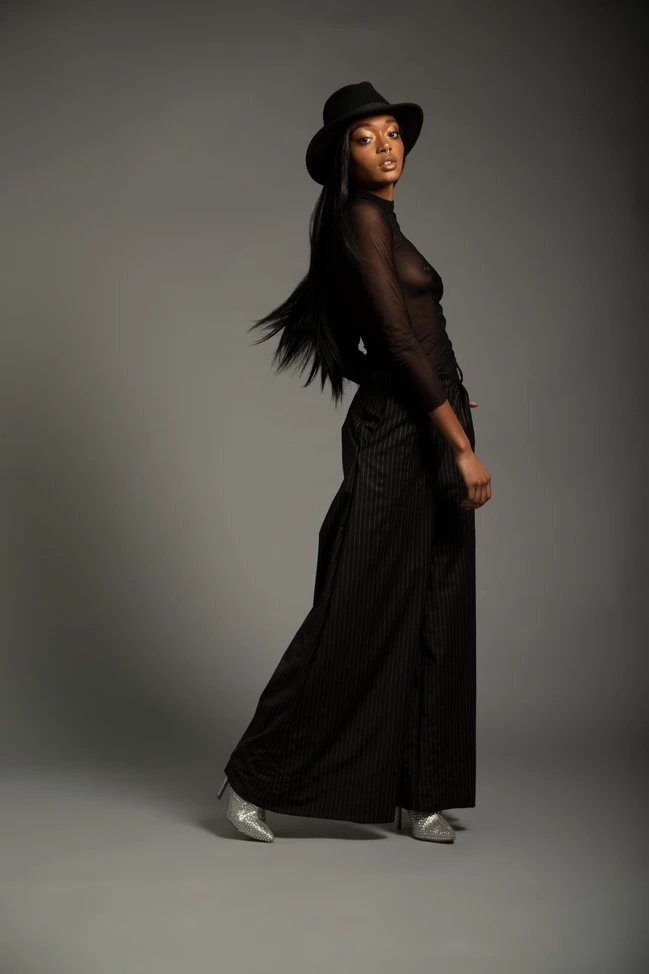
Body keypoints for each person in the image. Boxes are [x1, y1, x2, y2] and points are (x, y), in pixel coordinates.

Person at [217, 82, 491, 843]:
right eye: (365, 139)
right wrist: (459, 444)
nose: (384, 146)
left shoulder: (382, 223)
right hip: (403, 433)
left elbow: (394, 339)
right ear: (344, 157)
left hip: (430, 417)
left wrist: (450, 400)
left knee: (438, 601)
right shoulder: (359, 220)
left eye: (391, 133)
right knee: (357, 605)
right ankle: (251, 778)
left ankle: (419, 791)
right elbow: (396, 341)